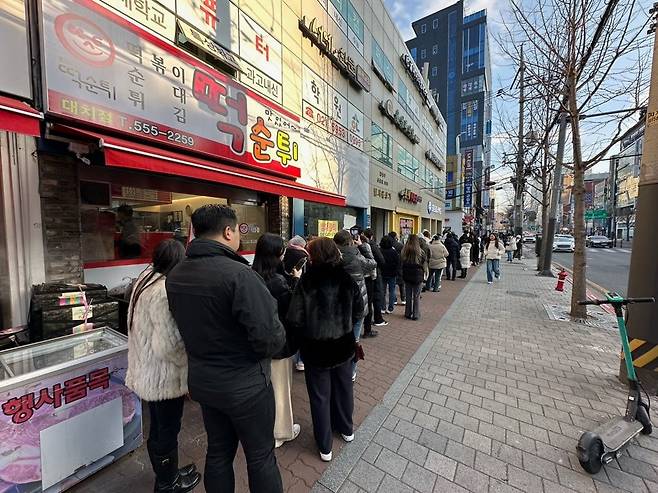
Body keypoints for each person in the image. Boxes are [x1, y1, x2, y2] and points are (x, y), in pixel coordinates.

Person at [166, 205, 285, 493]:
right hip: (246, 385)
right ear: (228, 232)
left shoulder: (176, 274)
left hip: (205, 382)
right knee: (260, 456)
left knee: (218, 452)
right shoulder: (239, 276)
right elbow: (269, 338)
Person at [126, 239, 202, 493]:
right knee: (167, 428)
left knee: (160, 427)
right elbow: (169, 344)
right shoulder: (161, 291)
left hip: (146, 368)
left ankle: (168, 473)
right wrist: (188, 367)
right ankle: (168, 483)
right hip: (163, 375)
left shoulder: (144, 280)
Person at [287, 237, 365, 462]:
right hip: (343, 346)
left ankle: (325, 445)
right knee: (344, 388)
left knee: (320, 396)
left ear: (315, 256)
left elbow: (295, 318)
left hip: (316, 349)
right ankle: (347, 429)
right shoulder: (345, 278)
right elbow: (360, 309)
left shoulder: (307, 281)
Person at [252, 233, 302, 449]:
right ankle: (281, 432)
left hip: (256, 343)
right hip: (278, 344)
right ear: (276, 254)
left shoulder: (251, 275)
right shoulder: (279, 282)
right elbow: (291, 311)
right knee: (281, 388)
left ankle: (265, 427)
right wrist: (297, 280)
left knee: (265, 388)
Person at [334, 230, 375, 379]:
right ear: (351, 241)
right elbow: (373, 263)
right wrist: (364, 246)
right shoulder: (356, 256)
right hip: (357, 306)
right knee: (354, 341)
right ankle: (350, 372)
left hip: (338, 307)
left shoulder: (331, 257)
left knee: (338, 339)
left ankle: (338, 371)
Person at [282, 235, 308, 371]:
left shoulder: (285, 253)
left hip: (285, 290)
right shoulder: (303, 256)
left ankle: (292, 355)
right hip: (298, 289)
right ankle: (300, 361)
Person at [362, 229, 388, 332]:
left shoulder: (361, 246)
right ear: (372, 236)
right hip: (372, 275)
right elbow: (380, 261)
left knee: (369, 298)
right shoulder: (371, 245)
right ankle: (377, 319)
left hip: (366, 275)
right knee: (375, 297)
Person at [401, 234, 425, 320]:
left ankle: (407, 313)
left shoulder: (404, 250)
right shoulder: (420, 251)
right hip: (417, 275)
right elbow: (423, 261)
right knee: (416, 296)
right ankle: (415, 314)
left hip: (407, 274)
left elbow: (402, 261)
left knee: (408, 295)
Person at [380, 235, 400, 312]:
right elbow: (397, 262)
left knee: (382, 291)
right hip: (392, 273)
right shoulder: (393, 252)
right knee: (392, 290)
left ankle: (383, 307)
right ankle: (390, 308)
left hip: (382, 273)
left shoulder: (380, 251)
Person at [388, 231, 405, 305]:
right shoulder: (400, 245)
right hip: (400, 266)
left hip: (391, 266)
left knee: (392, 285)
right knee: (402, 284)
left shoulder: (388, 245)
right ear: (395, 237)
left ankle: (394, 299)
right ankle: (403, 299)